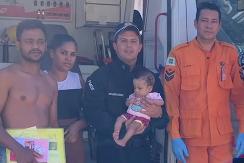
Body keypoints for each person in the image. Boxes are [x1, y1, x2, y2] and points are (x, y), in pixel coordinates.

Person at [163, 2, 244, 163]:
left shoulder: (229, 53)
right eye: (204, 20)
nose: (209, 25)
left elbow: (240, 96)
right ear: (196, 23)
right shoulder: (179, 54)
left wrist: (243, 130)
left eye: (214, 21)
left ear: (219, 25)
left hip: (221, 140)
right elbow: (171, 99)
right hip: (191, 139)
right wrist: (175, 135)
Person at [83, 22, 169, 163]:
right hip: (110, 152)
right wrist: (125, 128)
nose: (129, 45)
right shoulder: (100, 76)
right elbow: (93, 114)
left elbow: (164, 119)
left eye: (133, 41)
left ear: (140, 47)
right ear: (115, 46)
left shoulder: (150, 79)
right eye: (124, 41)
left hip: (142, 153)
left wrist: (157, 114)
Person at [0, 19, 58, 163]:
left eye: (40, 41)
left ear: (45, 45)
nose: (35, 46)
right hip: (13, 152)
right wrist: (18, 150)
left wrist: (57, 155)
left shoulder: (51, 82)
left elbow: (53, 124)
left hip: (43, 154)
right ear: (18, 45)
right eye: (29, 41)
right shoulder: (6, 77)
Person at [44, 34, 88, 163]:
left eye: (73, 54)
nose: (68, 58)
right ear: (52, 53)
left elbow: (91, 111)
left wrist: (77, 126)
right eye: (64, 53)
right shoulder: (42, 79)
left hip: (73, 138)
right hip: (47, 137)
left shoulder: (78, 80)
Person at [113, 67, 164, 147]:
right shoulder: (133, 95)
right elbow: (126, 103)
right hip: (129, 115)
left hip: (141, 119)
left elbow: (162, 102)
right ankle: (116, 132)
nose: (136, 91)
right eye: (135, 88)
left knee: (132, 126)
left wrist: (153, 101)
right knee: (119, 119)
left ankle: (124, 141)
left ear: (149, 89)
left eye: (139, 88)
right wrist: (129, 102)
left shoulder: (152, 95)